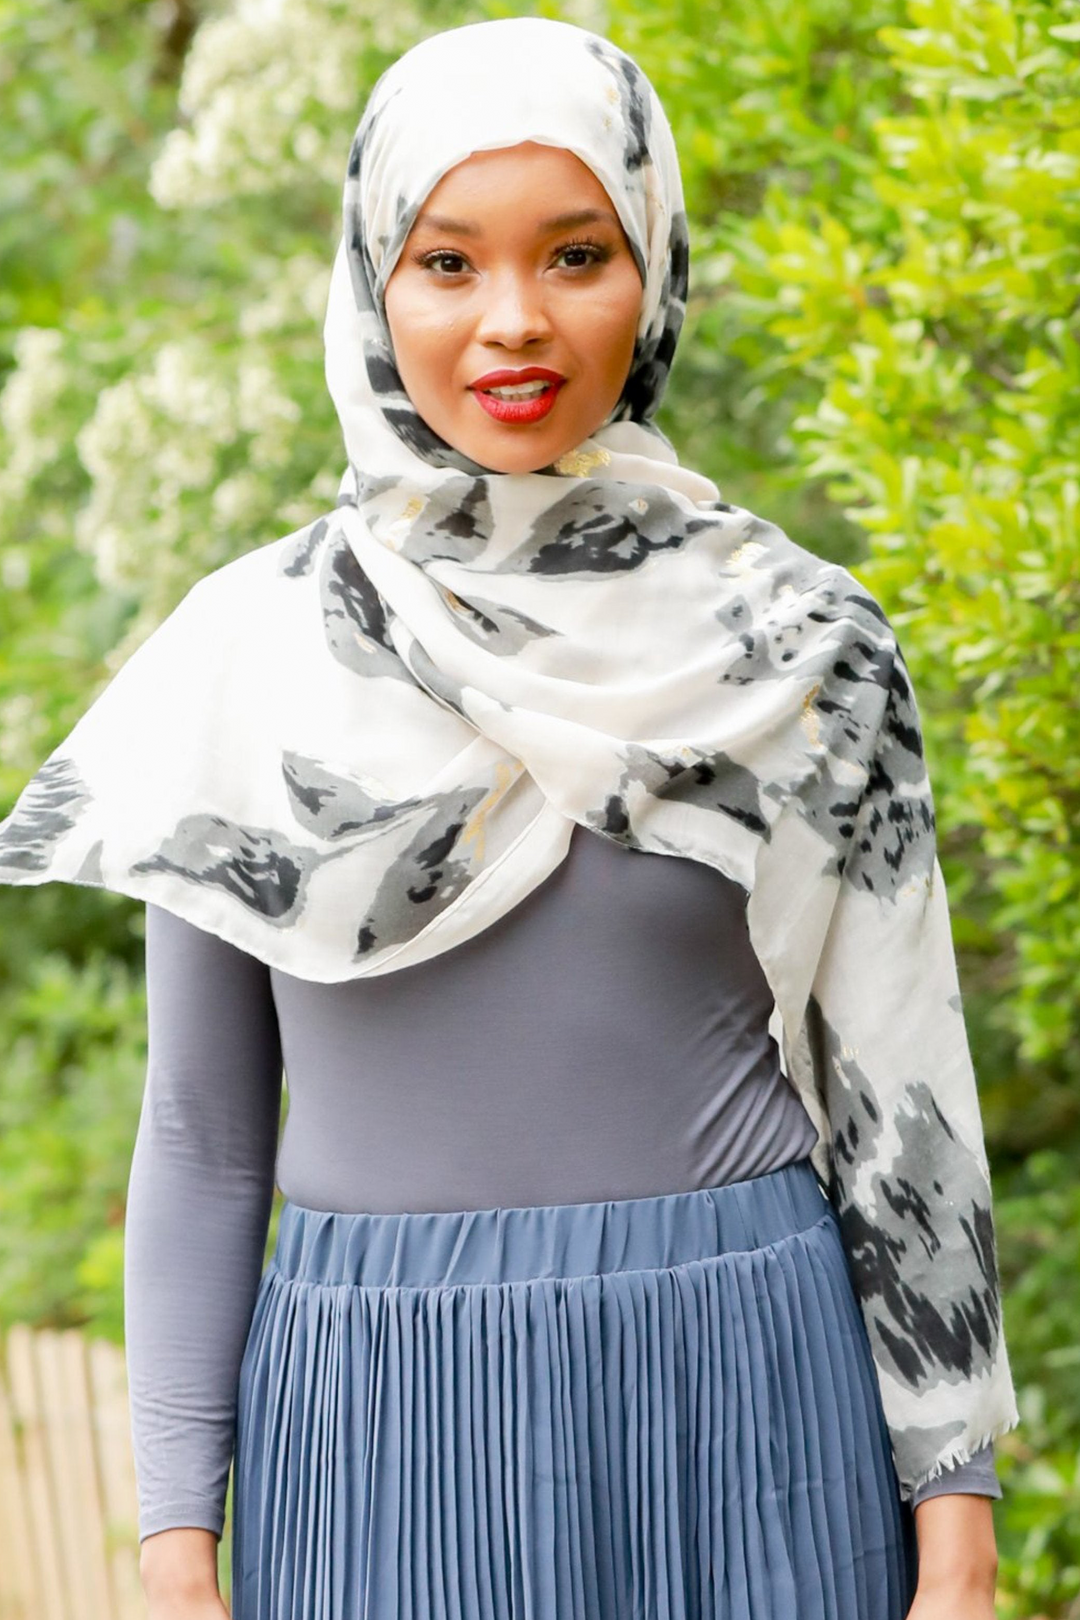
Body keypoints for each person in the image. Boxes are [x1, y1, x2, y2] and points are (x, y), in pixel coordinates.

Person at [0, 17, 1020, 1620]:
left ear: (655, 271)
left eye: (576, 253)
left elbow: (901, 1087)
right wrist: (174, 1555)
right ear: (371, 286)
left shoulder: (802, 647)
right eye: (449, 264)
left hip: (748, 1401)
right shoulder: (252, 657)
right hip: (376, 1415)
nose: (516, 322)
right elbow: (202, 1135)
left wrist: (955, 1534)